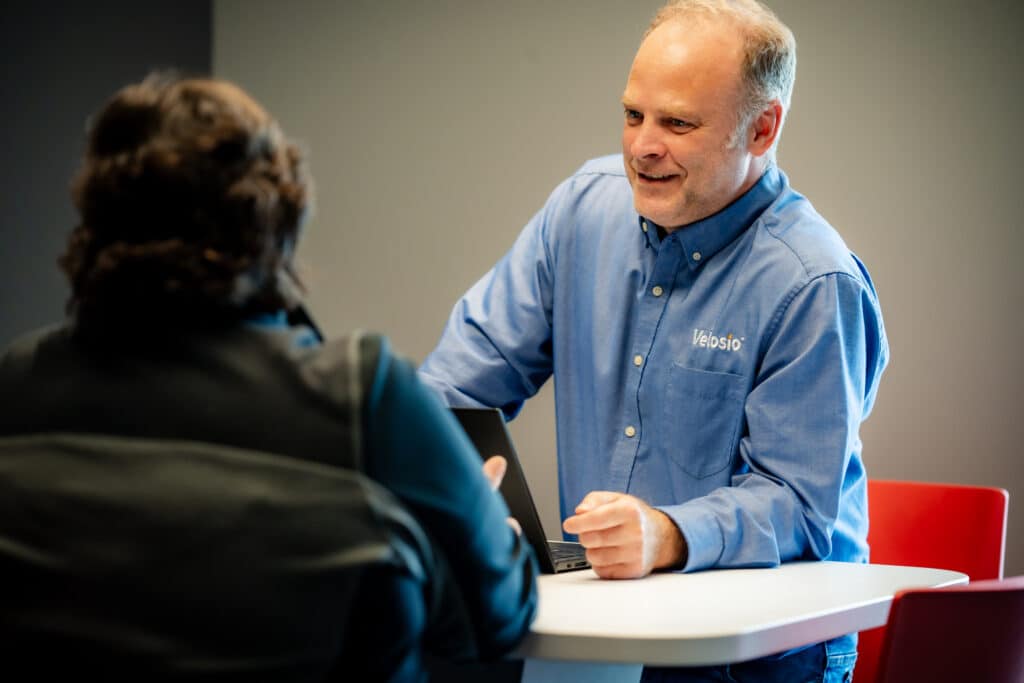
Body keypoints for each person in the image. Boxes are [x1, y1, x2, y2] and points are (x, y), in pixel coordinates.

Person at [0, 73, 536, 681]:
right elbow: (499, 615)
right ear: (276, 219)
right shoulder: (362, 395)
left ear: (93, 217)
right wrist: (485, 526)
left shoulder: (19, 384)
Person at [419, 1, 888, 681]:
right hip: (607, 628)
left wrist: (667, 534)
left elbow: (798, 505)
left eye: (678, 123)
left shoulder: (813, 281)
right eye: (633, 114)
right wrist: (454, 492)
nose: (642, 146)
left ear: (762, 128)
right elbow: (455, 387)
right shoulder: (582, 209)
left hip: (759, 658)